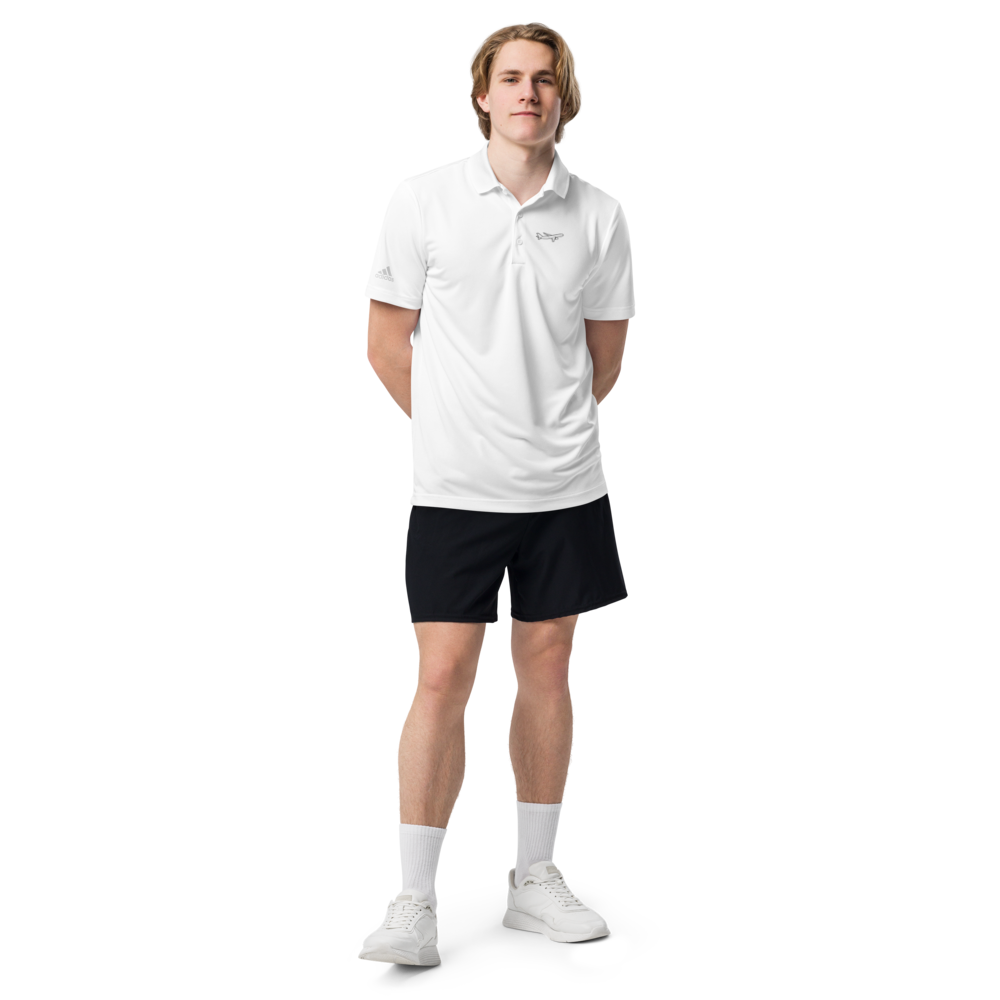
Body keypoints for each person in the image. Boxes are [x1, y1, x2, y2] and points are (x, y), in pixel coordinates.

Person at [359, 21, 633, 966]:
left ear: (566, 98)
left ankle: (533, 880)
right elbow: (385, 342)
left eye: (545, 80)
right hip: (454, 491)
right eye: (511, 78)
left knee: (548, 669)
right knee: (442, 678)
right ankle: (415, 900)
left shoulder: (600, 215)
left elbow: (604, 360)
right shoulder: (423, 199)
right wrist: (456, 433)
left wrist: (539, 437)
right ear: (483, 95)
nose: (528, 94)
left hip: (565, 488)